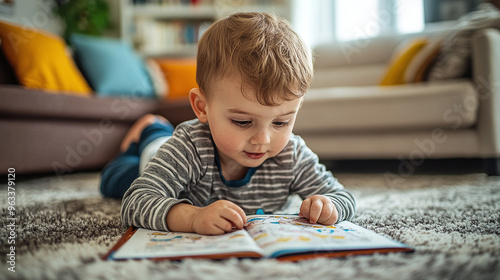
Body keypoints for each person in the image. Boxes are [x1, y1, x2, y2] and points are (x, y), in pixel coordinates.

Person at [100, 12, 356, 235]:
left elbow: (344, 197)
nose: (263, 139)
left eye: (281, 122)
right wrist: (193, 217)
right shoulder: (189, 146)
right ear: (202, 107)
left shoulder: (292, 154)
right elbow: (136, 201)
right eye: (243, 121)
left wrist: (328, 206)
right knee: (114, 181)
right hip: (158, 155)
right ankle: (150, 129)